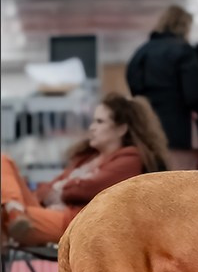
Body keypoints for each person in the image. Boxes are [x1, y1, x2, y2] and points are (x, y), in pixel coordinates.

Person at [1, 93, 169, 248]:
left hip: (72, 223)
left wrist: (60, 190)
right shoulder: (86, 158)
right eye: (93, 121)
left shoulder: (131, 159)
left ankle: (13, 211)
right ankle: (14, 210)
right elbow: (45, 191)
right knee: (3, 160)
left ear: (121, 129)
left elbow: (87, 188)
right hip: (44, 212)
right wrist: (59, 190)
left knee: (3, 215)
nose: (92, 127)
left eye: (100, 122)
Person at [126, 5, 198, 170]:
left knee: (154, 178)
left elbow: (133, 83)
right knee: (178, 179)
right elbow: (194, 94)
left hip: (147, 128)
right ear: (184, 26)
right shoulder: (184, 51)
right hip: (178, 128)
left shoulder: (142, 51)